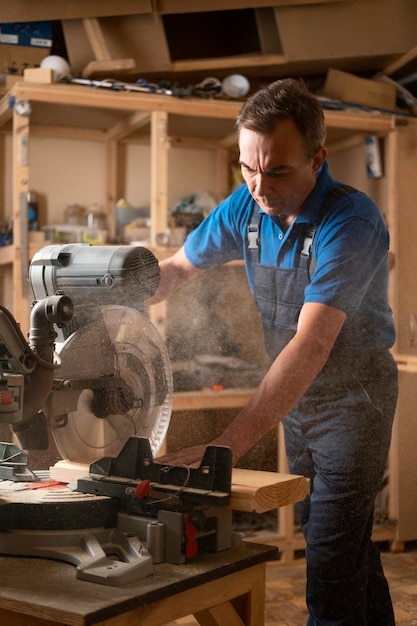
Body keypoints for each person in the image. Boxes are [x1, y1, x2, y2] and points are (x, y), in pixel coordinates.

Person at [148, 78, 398, 625]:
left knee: (329, 563)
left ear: (317, 158)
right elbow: (176, 271)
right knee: (342, 543)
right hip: (297, 403)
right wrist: (110, 290)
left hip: (354, 401)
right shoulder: (246, 206)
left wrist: (227, 445)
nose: (259, 186)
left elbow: (310, 347)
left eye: (278, 170)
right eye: (247, 167)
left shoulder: (350, 223)